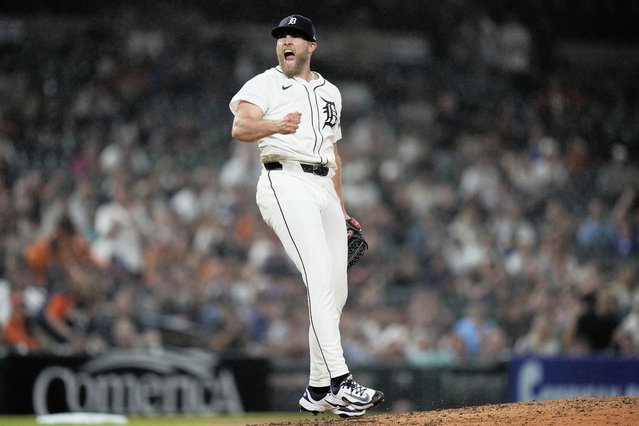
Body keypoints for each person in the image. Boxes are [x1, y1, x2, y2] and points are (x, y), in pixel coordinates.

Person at [229, 14, 384, 418]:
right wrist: (275, 124)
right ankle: (341, 382)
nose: (287, 41)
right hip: (285, 182)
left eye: (296, 36)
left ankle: (317, 389)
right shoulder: (265, 83)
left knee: (337, 290)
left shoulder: (331, 92)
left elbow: (333, 155)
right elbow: (240, 127)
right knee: (317, 276)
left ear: (311, 46)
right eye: (282, 36)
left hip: (323, 187)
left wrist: (343, 210)